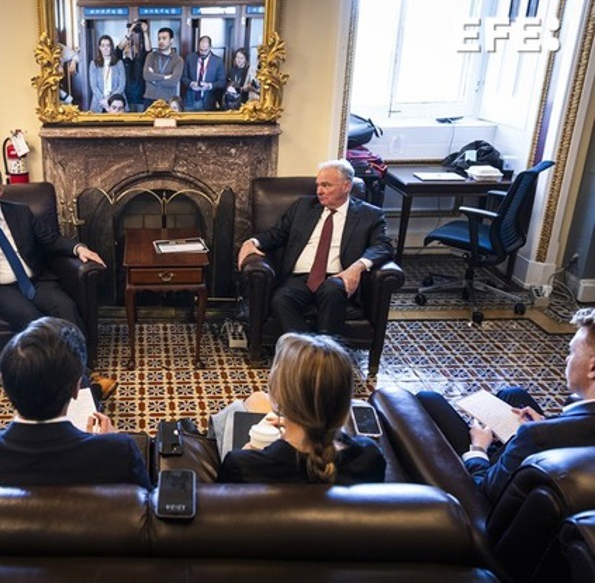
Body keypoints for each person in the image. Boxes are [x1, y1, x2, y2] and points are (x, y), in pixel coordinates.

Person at [0, 164, 116, 398]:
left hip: (36, 280)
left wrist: (78, 248)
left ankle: (78, 375)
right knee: (36, 321)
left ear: (0, 190)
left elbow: (51, 240)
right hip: (0, 289)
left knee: (66, 308)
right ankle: (86, 384)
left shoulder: (20, 212)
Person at [0, 317, 152, 488]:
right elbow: (148, 505)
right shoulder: (118, 452)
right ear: (76, 388)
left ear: (5, 386)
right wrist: (104, 446)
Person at [416, 307, 595, 503]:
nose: (567, 359)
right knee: (512, 395)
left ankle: (481, 444)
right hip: (540, 466)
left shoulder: (534, 435)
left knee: (428, 399)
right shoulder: (556, 428)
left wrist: (478, 449)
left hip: (489, 493)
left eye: (572, 352)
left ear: (593, 368)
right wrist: (545, 422)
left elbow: (484, 491)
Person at [237, 159, 393, 339]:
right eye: (318, 185)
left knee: (332, 291)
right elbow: (277, 233)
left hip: (337, 277)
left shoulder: (370, 214)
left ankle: (326, 347)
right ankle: (307, 348)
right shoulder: (303, 207)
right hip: (300, 277)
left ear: (346, 186)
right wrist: (253, 241)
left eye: (326, 185)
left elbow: (383, 246)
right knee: (281, 299)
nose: (319, 191)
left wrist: (358, 266)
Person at [217, 333, 386, 484]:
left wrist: (248, 450)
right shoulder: (370, 456)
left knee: (238, 409)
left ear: (277, 394)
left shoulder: (241, 464)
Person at [181, 36, 226, 111]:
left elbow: (222, 82)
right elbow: (183, 77)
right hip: (190, 100)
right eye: (201, 50)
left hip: (208, 102)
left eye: (205, 50)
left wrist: (209, 86)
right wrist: (191, 84)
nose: (202, 53)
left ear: (210, 47)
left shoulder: (218, 61)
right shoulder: (190, 58)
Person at [143, 27, 184, 108]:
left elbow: (173, 82)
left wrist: (154, 80)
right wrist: (165, 77)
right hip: (149, 98)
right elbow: (146, 75)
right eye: (159, 39)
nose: (161, 41)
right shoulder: (151, 56)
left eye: (164, 38)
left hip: (168, 100)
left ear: (171, 41)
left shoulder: (178, 60)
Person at [116, 20, 151, 112]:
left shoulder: (140, 60)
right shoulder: (121, 62)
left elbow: (148, 51)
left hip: (140, 99)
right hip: (126, 99)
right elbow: (118, 49)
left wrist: (145, 33)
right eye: (127, 45)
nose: (129, 46)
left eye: (132, 45)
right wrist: (129, 34)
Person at [88, 35, 126, 113]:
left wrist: (110, 100)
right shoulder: (94, 64)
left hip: (116, 103)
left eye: (108, 45)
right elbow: (94, 86)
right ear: (100, 48)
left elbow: (122, 85)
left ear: (111, 47)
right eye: (103, 45)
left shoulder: (119, 63)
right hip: (99, 102)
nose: (105, 48)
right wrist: (103, 100)